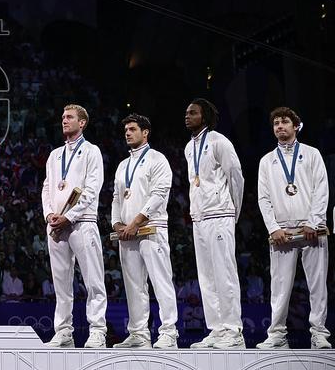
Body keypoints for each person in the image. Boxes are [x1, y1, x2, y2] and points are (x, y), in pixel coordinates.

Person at [255, 107, 330, 349]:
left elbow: (321, 189)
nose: (280, 126)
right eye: (276, 123)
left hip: (312, 229)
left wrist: (313, 221)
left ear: (296, 126)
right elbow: (263, 198)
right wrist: (272, 228)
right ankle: (277, 335)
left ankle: (319, 333)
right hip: (282, 231)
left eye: (285, 122)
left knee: (317, 284)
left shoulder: (311, 154)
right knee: (279, 286)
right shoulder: (267, 161)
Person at [110, 114, 178, 349]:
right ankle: (139, 333)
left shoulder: (158, 159)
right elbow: (117, 197)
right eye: (126, 130)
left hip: (151, 228)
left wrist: (136, 222)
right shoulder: (123, 165)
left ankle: (169, 332)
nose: (127, 133)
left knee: (161, 281)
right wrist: (117, 223)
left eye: (132, 129)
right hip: (127, 233)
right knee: (134, 286)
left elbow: (159, 195)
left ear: (145, 132)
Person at [41, 104, 106, 348]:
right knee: (61, 283)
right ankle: (63, 332)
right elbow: (47, 188)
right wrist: (49, 214)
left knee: (93, 280)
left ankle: (98, 330)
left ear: (82, 123)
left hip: (83, 222)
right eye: (63, 117)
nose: (64, 120)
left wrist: (70, 216)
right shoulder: (55, 155)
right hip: (56, 225)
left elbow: (92, 189)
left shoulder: (92, 151)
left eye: (69, 117)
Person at [184, 98, 245, 349]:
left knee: (224, 273)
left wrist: (232, 211)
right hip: (199, 217)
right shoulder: (189, 147)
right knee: (207, 277)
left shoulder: (220, 142)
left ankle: (233, 330)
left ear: (205, 117)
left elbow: (236, 177)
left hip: (220, 215)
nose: (187, 116)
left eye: (193, 113)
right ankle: (217, 329)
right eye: (187, 113)